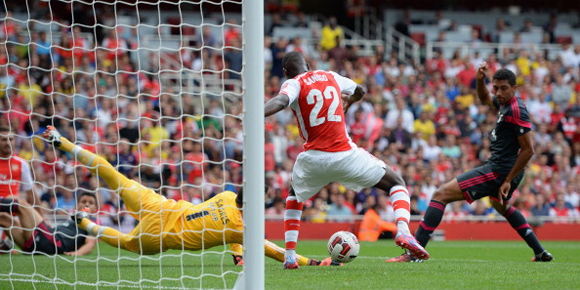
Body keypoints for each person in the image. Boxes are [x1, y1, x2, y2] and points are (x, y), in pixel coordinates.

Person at [42, 126, 338, 267]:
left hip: (159, 204)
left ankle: (61, 141)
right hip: (162, 236)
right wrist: (312, 262)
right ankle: (87, 224)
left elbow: (233, 232)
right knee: (128, 244)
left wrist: (236, 252)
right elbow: (269, 248)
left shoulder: (225, 195)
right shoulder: (241, 228)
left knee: (109, 172)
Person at [264, 51, 429, 269]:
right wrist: (348, 102)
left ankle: (290, 255)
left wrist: (253, 113)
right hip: (345, 155)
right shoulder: (330, 76)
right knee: (396, 182)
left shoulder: (293, 83)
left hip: (313, 159)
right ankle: (404, 232)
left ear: (286, 73)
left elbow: (281, 101)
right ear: (309, 64)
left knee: (295, 197)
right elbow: (361, 90)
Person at [388, 64, 553, 262]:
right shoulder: (505, 104)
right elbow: (484, 98)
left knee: (441, 195)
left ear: (514, 88)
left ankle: (415, 252)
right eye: (496, 88)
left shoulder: (517, 110)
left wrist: (507, 180)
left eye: (503, 88)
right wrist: (480, 80)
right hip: (504, 169)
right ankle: (540, 252)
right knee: (502, 208)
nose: (498, 93)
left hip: (499, 171)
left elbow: (529, 150)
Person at [0, 191, 98, 256]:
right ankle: (8, 242)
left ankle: (8, 242)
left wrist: (77, 253)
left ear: (95, 209)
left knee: (21, 204)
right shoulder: (73, 221)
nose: (87, 204)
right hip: (39, 242)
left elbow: (91, 243)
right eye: (84, 201)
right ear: (76, 206)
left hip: (51, 242)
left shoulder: (91, 223)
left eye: (91, 203)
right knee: (4, 219)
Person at [0, 126, 40, 250]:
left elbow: (31, 192)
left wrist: (40, 217)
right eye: (4, 140)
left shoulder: (22, 163)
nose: (8, 142)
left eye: (10, 139)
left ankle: (7, 243)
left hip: (14, 211)